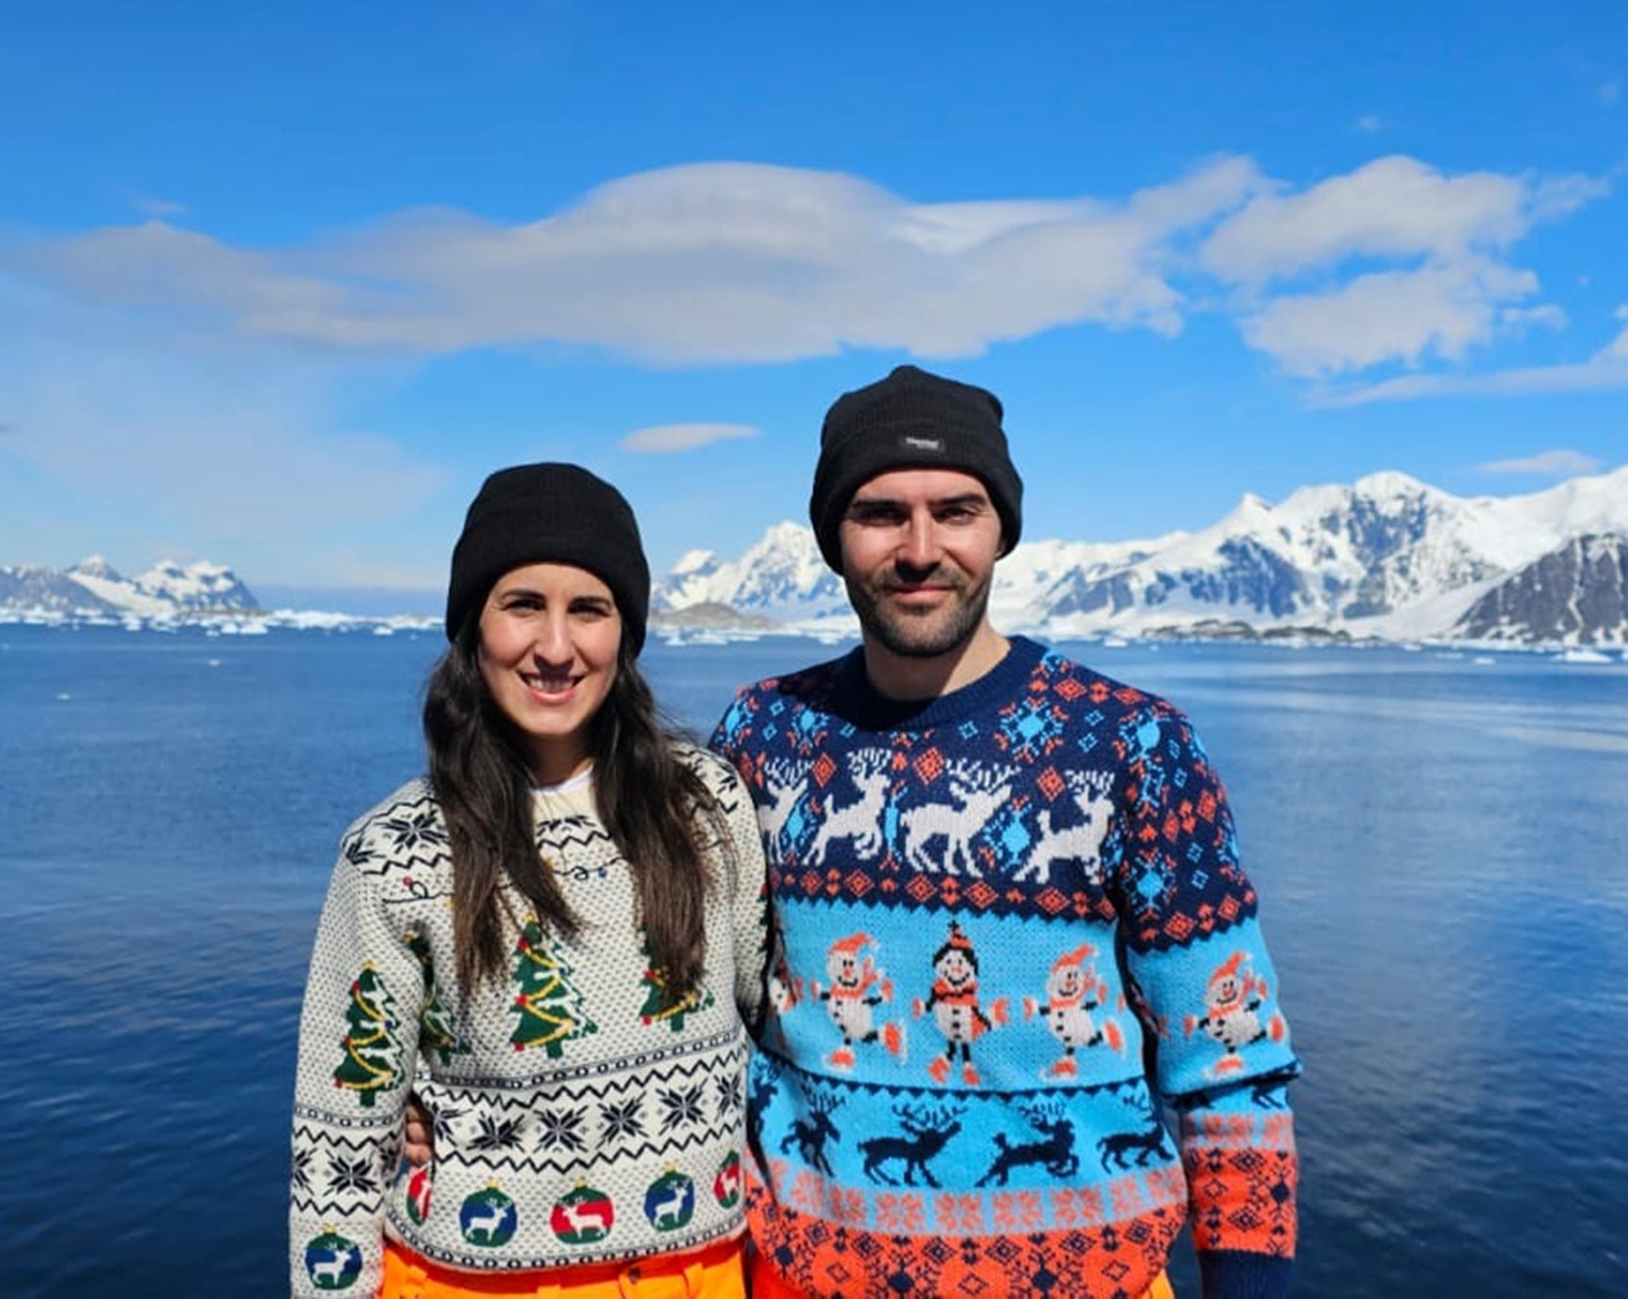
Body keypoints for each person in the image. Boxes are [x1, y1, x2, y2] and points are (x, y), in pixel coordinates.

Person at [709, 366, 1300, 1299]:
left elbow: (1228, 1054)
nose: (918, 548)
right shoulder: (763, 733)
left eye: (956, 510)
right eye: (878, 513)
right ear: (832, 539)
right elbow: (699, 995)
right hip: (804, 1276)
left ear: (1001, 531)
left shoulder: (1130, 743)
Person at [289, 463, 767, 1299]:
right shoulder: (397, 853)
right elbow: (339, 1137)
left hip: (696, 1275)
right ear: (474, 626)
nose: (554, 648)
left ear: (626, 631)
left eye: (589, 609)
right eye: (522, 606)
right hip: (470, 1281)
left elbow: (772, 1015)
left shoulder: (704, 808)